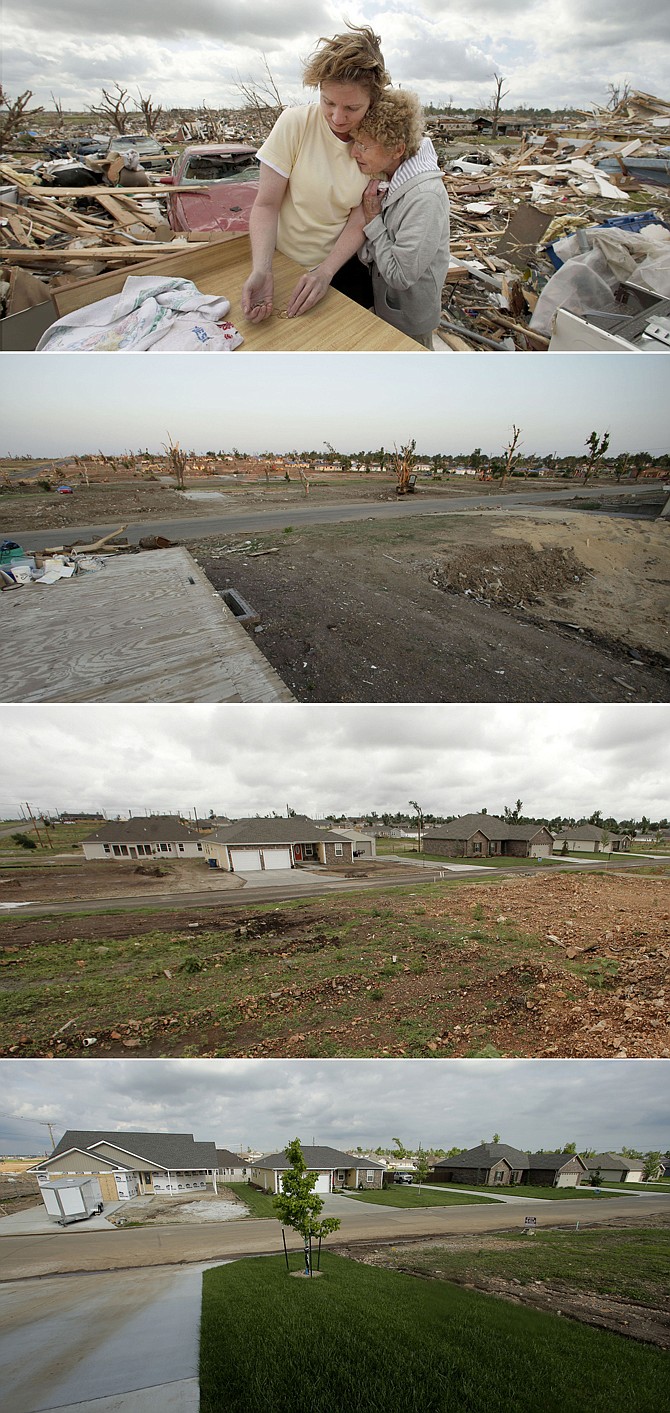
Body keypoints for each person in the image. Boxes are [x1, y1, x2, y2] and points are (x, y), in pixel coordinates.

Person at [240, 24, 390, 323]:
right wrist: (262, 269)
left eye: (352, 107)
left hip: (339, 263)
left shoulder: (378, 141)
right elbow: (266, 204)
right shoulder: (295, 124)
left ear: (373, 101)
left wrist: (325, 271)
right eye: (329, 102)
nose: (337, 117)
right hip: (280, 259)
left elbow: (360, 215)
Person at [351, 89, 450, 347]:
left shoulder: (424, 198)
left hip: (409, 321)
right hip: (390, 309)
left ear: (397, 149)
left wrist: (373, 219)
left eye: (363, 146)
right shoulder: (392, 178)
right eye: (355, 142)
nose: (354, 152)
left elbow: (399, 276)